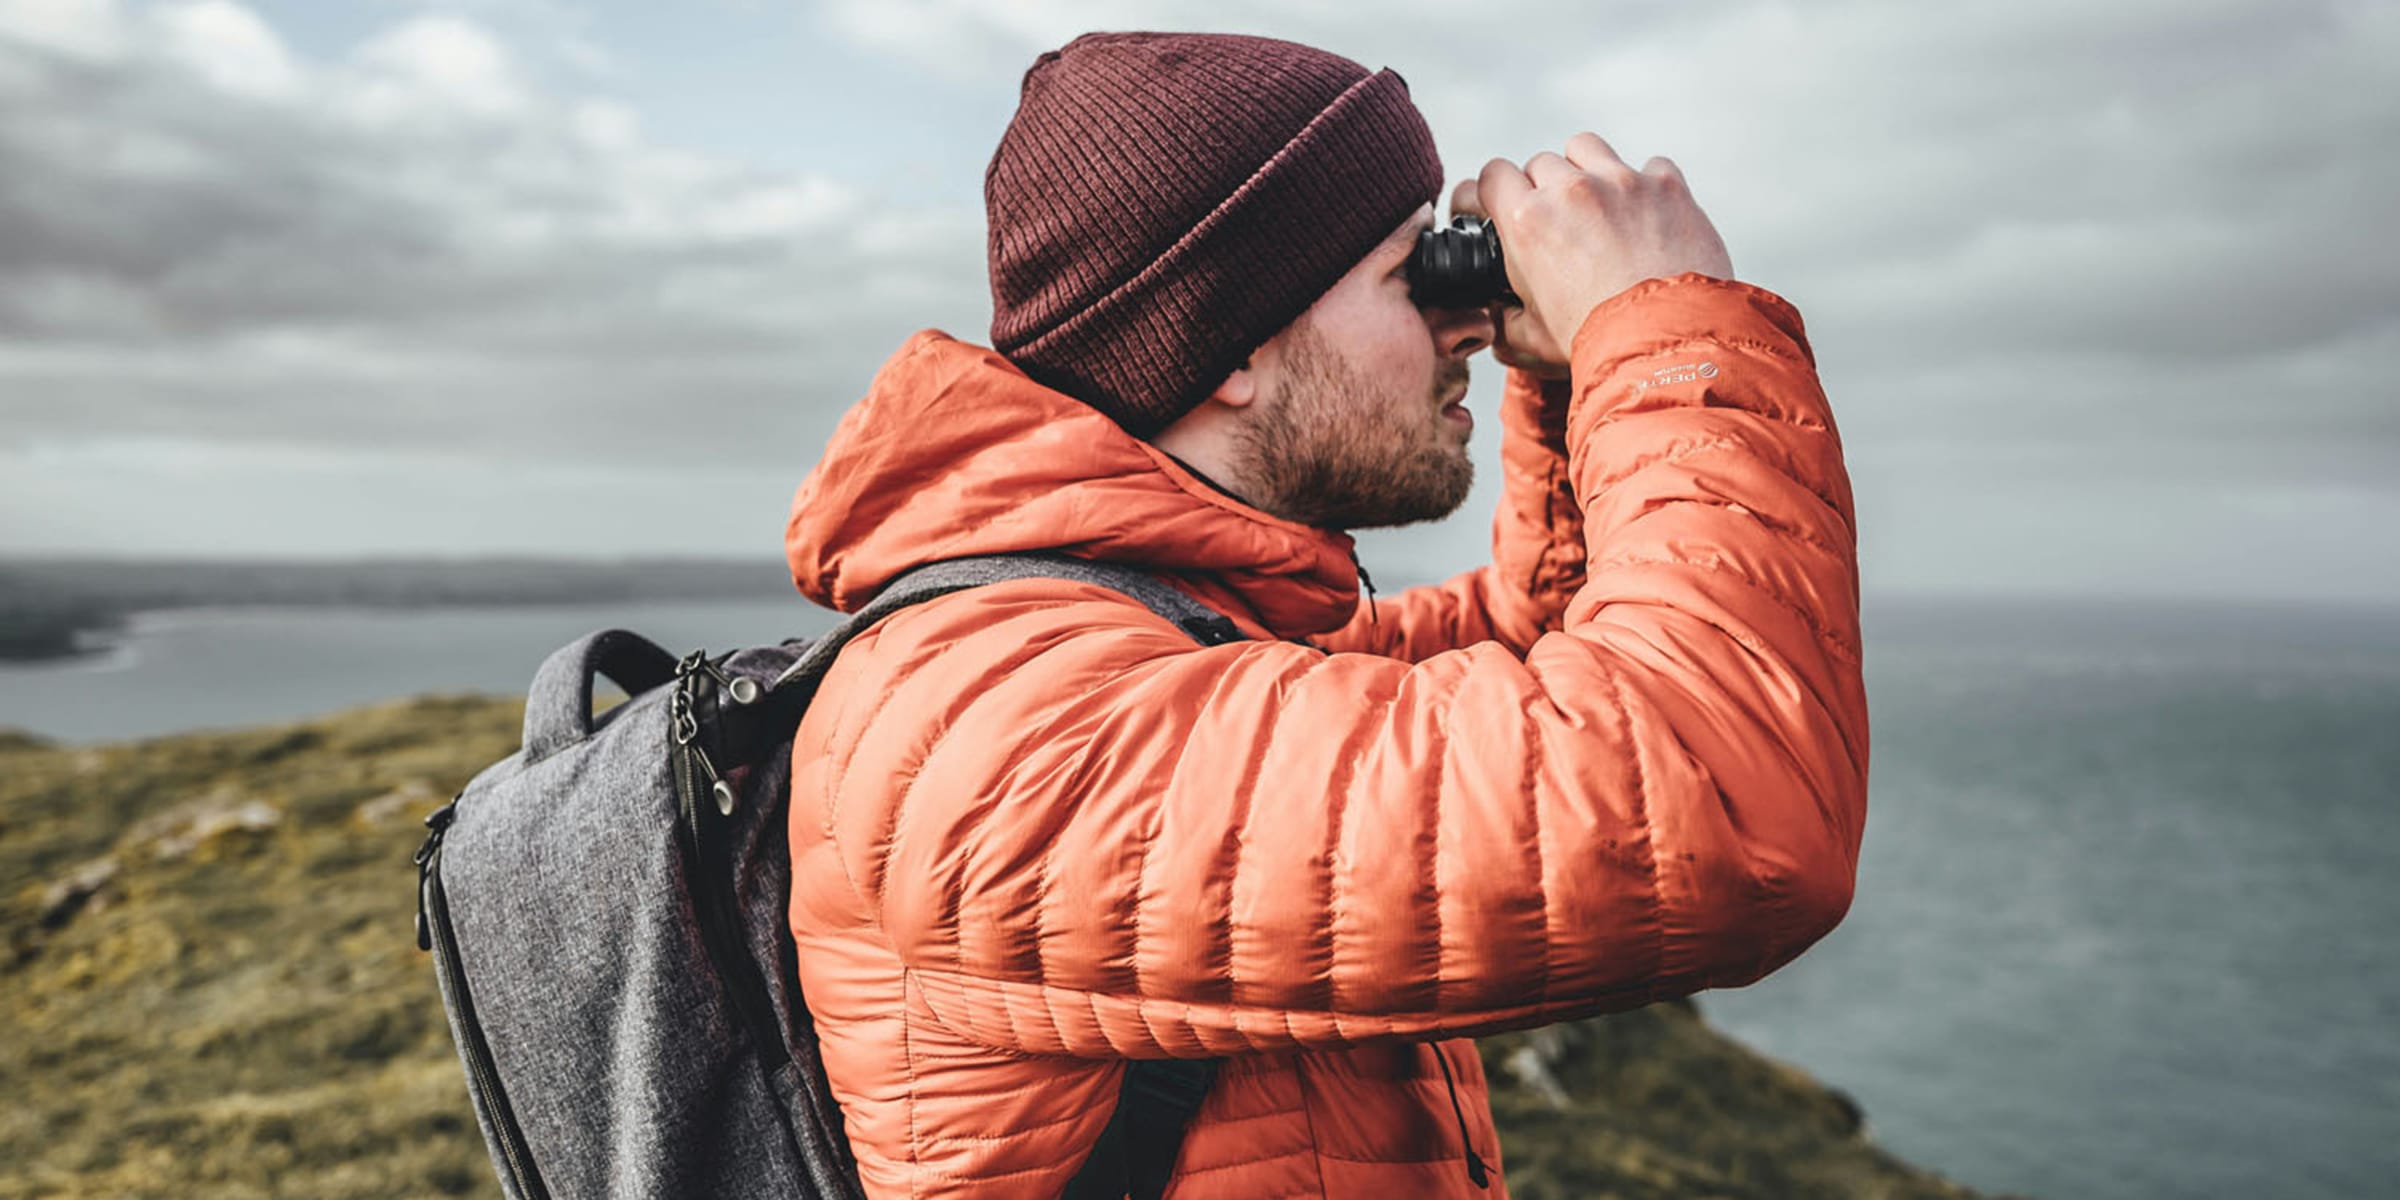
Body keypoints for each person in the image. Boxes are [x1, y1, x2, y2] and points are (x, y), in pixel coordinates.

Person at [781, 30, 1867, 1199]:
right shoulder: (1005, 726)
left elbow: (1552, 652)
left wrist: (1568, 380)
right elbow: (1711, 794)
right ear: (1234, 343)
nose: (1468, 323)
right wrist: (1660, 328)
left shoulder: (1186, 641)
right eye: (1416, 274)